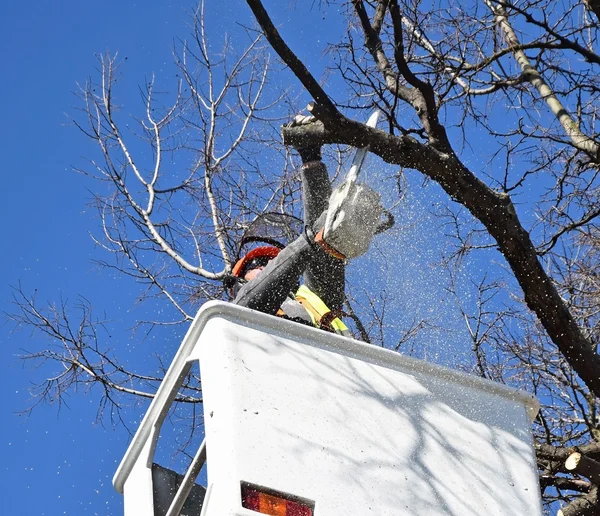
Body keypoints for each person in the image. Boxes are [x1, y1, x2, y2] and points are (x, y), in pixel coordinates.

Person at [230, 126, 351, 336]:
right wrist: (310, 239)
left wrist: (311, 160)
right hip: (279, 363)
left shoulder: (309, 299)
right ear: (241, 278)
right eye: (260, 264)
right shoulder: (239, 310)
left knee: (326, 246)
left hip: (338, 361)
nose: (269, 265)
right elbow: (259, 295)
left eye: (271, 261)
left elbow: (324, 255)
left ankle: (310, 154)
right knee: (315, 241)